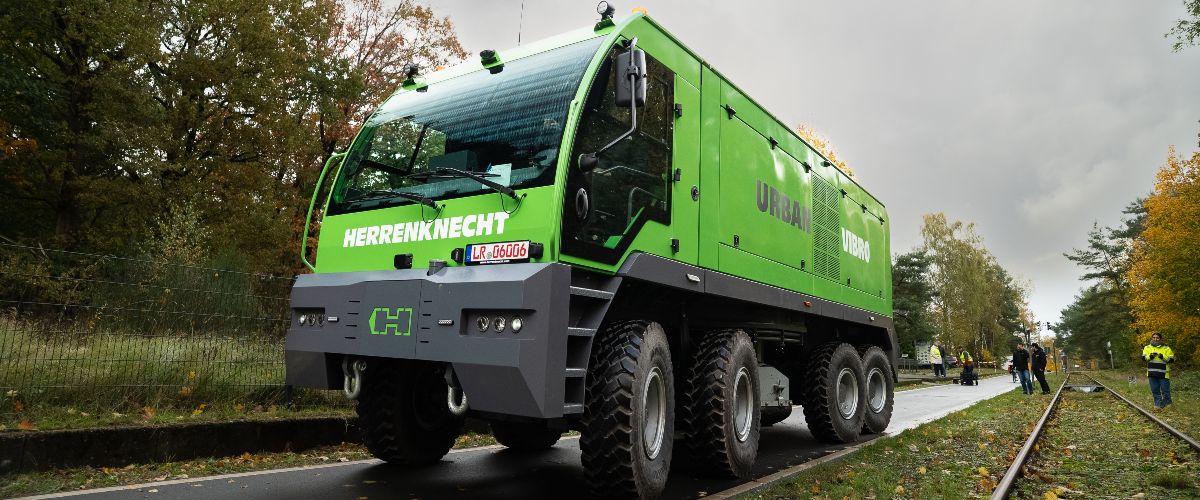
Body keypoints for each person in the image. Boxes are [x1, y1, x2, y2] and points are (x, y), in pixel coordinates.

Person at [1142, 332, 1176, 409]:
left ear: (1160, 339)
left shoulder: (1166, 348)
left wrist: (1162, 356)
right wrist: (1150, 356)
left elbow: (1171, 360)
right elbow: (1143, 358)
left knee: (1165, 390)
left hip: (1163, 373)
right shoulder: (1147, 348)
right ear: (1152, 338)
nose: (1155, 339)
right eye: (1154, 337)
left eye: (1157, 337)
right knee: (1155, 390)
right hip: (1152, 373)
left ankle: (1168, 404)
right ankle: (1158, 405)